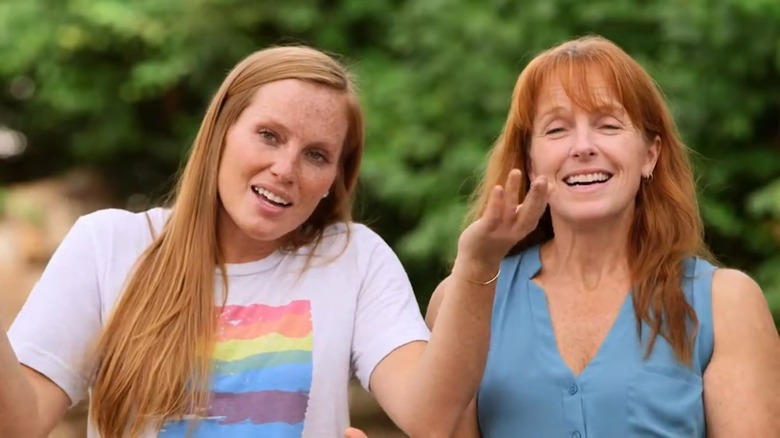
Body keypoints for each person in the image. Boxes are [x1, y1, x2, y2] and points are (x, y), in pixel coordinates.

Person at [0, 46, 549, 437]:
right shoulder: (107, 244)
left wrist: (480, 263)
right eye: (269, 135)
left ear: (336, 176)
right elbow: (18, 422)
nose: (285, 168)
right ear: (220, 132)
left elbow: (431, 417)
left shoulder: (354, 258)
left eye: (316, 155)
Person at [424, 35, 780, 437]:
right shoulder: (466, 299)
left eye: (607, 125)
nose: (583, 147)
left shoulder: (727, 305)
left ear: (650, 155)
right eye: (556, 130)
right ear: (529, 159)